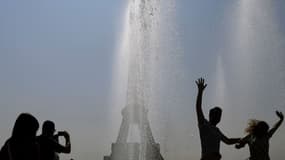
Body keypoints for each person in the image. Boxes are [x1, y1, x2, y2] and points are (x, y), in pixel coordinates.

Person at [195, 78, 240, 160]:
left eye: (220, 116)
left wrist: (240, 139)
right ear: (210, 115)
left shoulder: (217, 130)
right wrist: (200, 91)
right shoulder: (204, 124)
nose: (218, 117)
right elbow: (198, 108)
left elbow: (228, 141)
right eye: (217, 115)